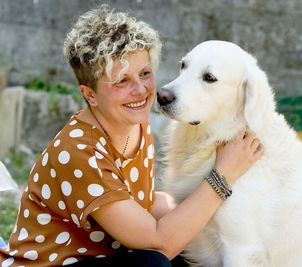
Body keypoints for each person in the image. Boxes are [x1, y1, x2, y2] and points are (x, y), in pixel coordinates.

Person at [0, 5, 263, 267]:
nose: (141, 90)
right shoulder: (80, 152)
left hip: (102, 257)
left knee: (195, 244)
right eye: (121, 81)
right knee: (152, 261)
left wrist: (226, 211)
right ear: (90, 94)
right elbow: (159, 242)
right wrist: (223, 175)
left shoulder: (133, 123)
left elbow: (141, 203)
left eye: (145, 74)